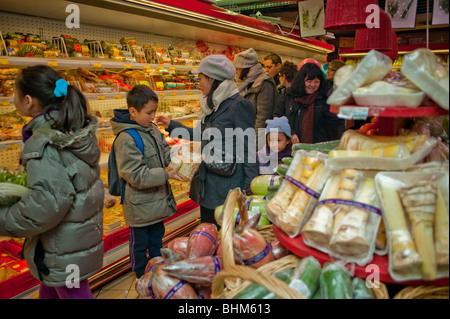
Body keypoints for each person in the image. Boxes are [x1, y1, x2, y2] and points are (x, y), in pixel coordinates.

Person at [0, 65, 104, 299]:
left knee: (73, 292)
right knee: (54, 289)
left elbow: (48, 204)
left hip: (62, 244)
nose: (12, 99)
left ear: (28, 101)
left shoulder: (44, 142)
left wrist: (4, 218)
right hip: (70, 239)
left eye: (13, 94)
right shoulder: (71, 126)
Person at [156, 54, 258, 228]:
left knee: (225, 237)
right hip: (208, 183)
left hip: (229, 185)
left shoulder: (238, 105)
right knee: (208, 232)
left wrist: (250, 185)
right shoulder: (211, 105)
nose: (199, 83)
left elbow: (248, 147)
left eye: (201, 78)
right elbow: (201, 136)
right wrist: (172, 125)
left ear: (213, 79)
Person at [109, 84, 182, 279]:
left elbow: (164, 151)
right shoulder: (126, 139)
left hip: (157, 201)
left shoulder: (152, 129)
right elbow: (136, 175)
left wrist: (179, 158)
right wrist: (167, 175)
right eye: (149, 112)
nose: (153, 117)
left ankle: (157, 272)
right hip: (140, 206)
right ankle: (141, 276)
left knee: (157, 240)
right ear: (132, 112)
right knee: (140, 245)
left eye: (155, 112)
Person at [273, 62, 345, 144]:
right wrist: (290, 132)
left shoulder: (324, 99)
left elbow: (337, 123)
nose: (313, 85)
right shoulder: (289, 95)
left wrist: (341, 142)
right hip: (289, 146)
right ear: (301, 81)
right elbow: (277, 116)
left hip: (316, 148)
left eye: (317, 82)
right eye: (309, 81)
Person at [234, 48, 276, 149]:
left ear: (246, 68)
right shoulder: (245, 83)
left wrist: (256, 146)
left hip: (255, 139)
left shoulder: (264, 83)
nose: (237, 72)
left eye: (238, 69)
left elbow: (263, 118)